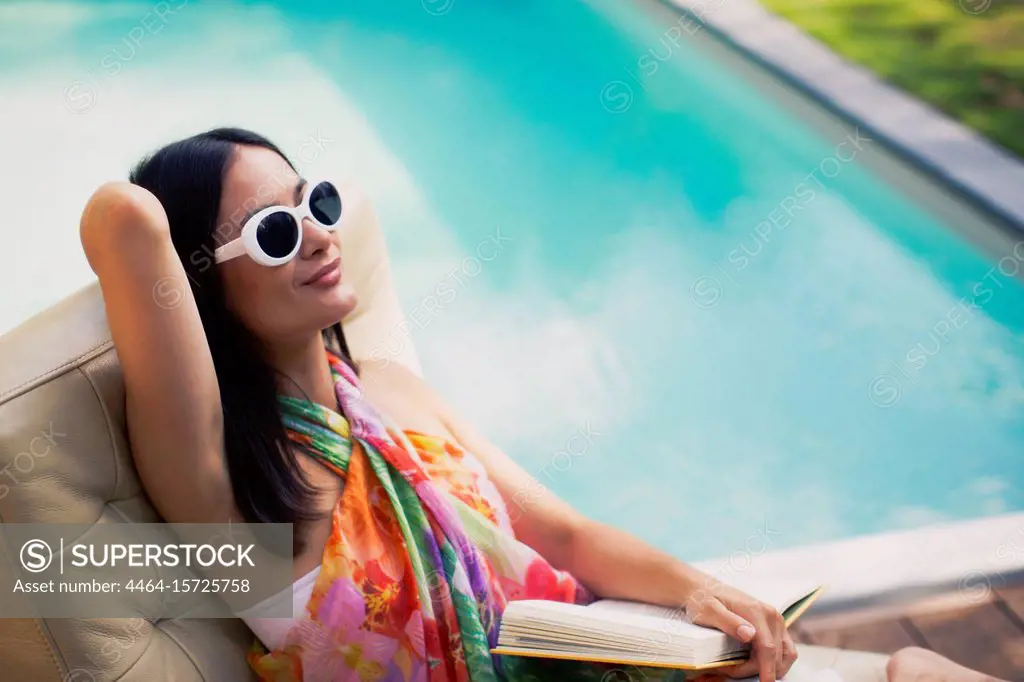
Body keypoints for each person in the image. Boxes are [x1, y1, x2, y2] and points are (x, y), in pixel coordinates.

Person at [76, 128, 995, 682]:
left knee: (922, 669)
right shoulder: (235, 493)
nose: (321, 233)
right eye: (275, 233)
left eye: (313, 199)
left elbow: (569, 538)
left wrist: (708, 595)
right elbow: (124, 219)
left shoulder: (392, 395)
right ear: (202, 288)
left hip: (605, 657)